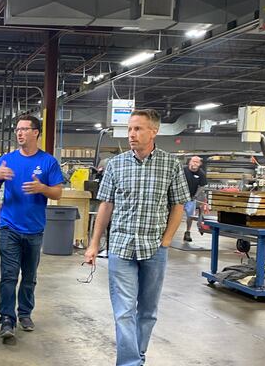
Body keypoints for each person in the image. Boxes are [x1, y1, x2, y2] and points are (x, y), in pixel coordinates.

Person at [84, 109, 189, 366]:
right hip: (121, 246)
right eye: (130, 129)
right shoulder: (116, 165)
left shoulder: (171, 164)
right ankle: (131, 363)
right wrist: (94, 244)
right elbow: (105, 206)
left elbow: (178, 206)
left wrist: (166, 241)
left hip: (154, 248)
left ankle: (136, 356)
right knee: (123, 311)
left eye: (138, 129)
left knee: (148, 312)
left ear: (154, 131)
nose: (132, 134)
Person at [0, 115, 63, 340]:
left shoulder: (48, 162)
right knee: (9, 276)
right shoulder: (7, 160)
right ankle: (7, 319)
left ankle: (25, 313)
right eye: (17, 129)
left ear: (36, 132)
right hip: (9, 228)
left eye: (24, 129)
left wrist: (42, 188)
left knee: (29, 276)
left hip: (34, 230)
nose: (19, 133)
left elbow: (58, 193)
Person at [182, 156, 208, 242]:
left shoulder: (201, 174)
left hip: (191, 198)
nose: (195, 163)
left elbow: (202, 186)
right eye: (193, 161)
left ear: (200, 164)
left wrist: (196, 195)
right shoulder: (182, 170)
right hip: (179, 197)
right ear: (189, 162)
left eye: (197, 162)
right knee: (173, 214)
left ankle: (187, 232)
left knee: (190, 216)